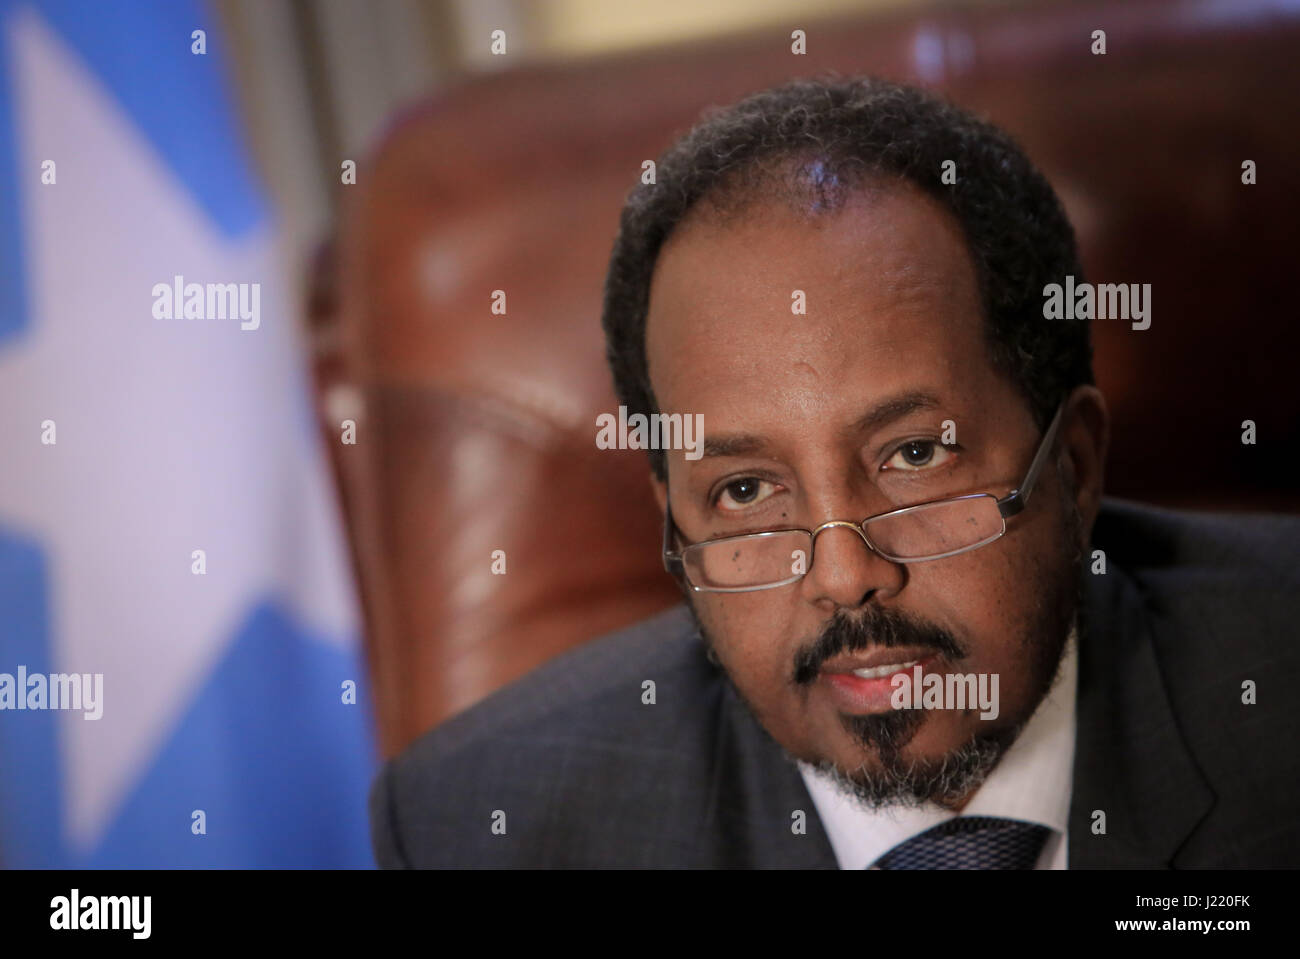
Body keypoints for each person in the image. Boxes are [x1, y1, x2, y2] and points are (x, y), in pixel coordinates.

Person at [369, 76, 1300, 868]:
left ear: (1077, 464)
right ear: (674, 528)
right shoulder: (486, 830)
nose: (845, 574)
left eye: (915, 455)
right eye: (743, 491)